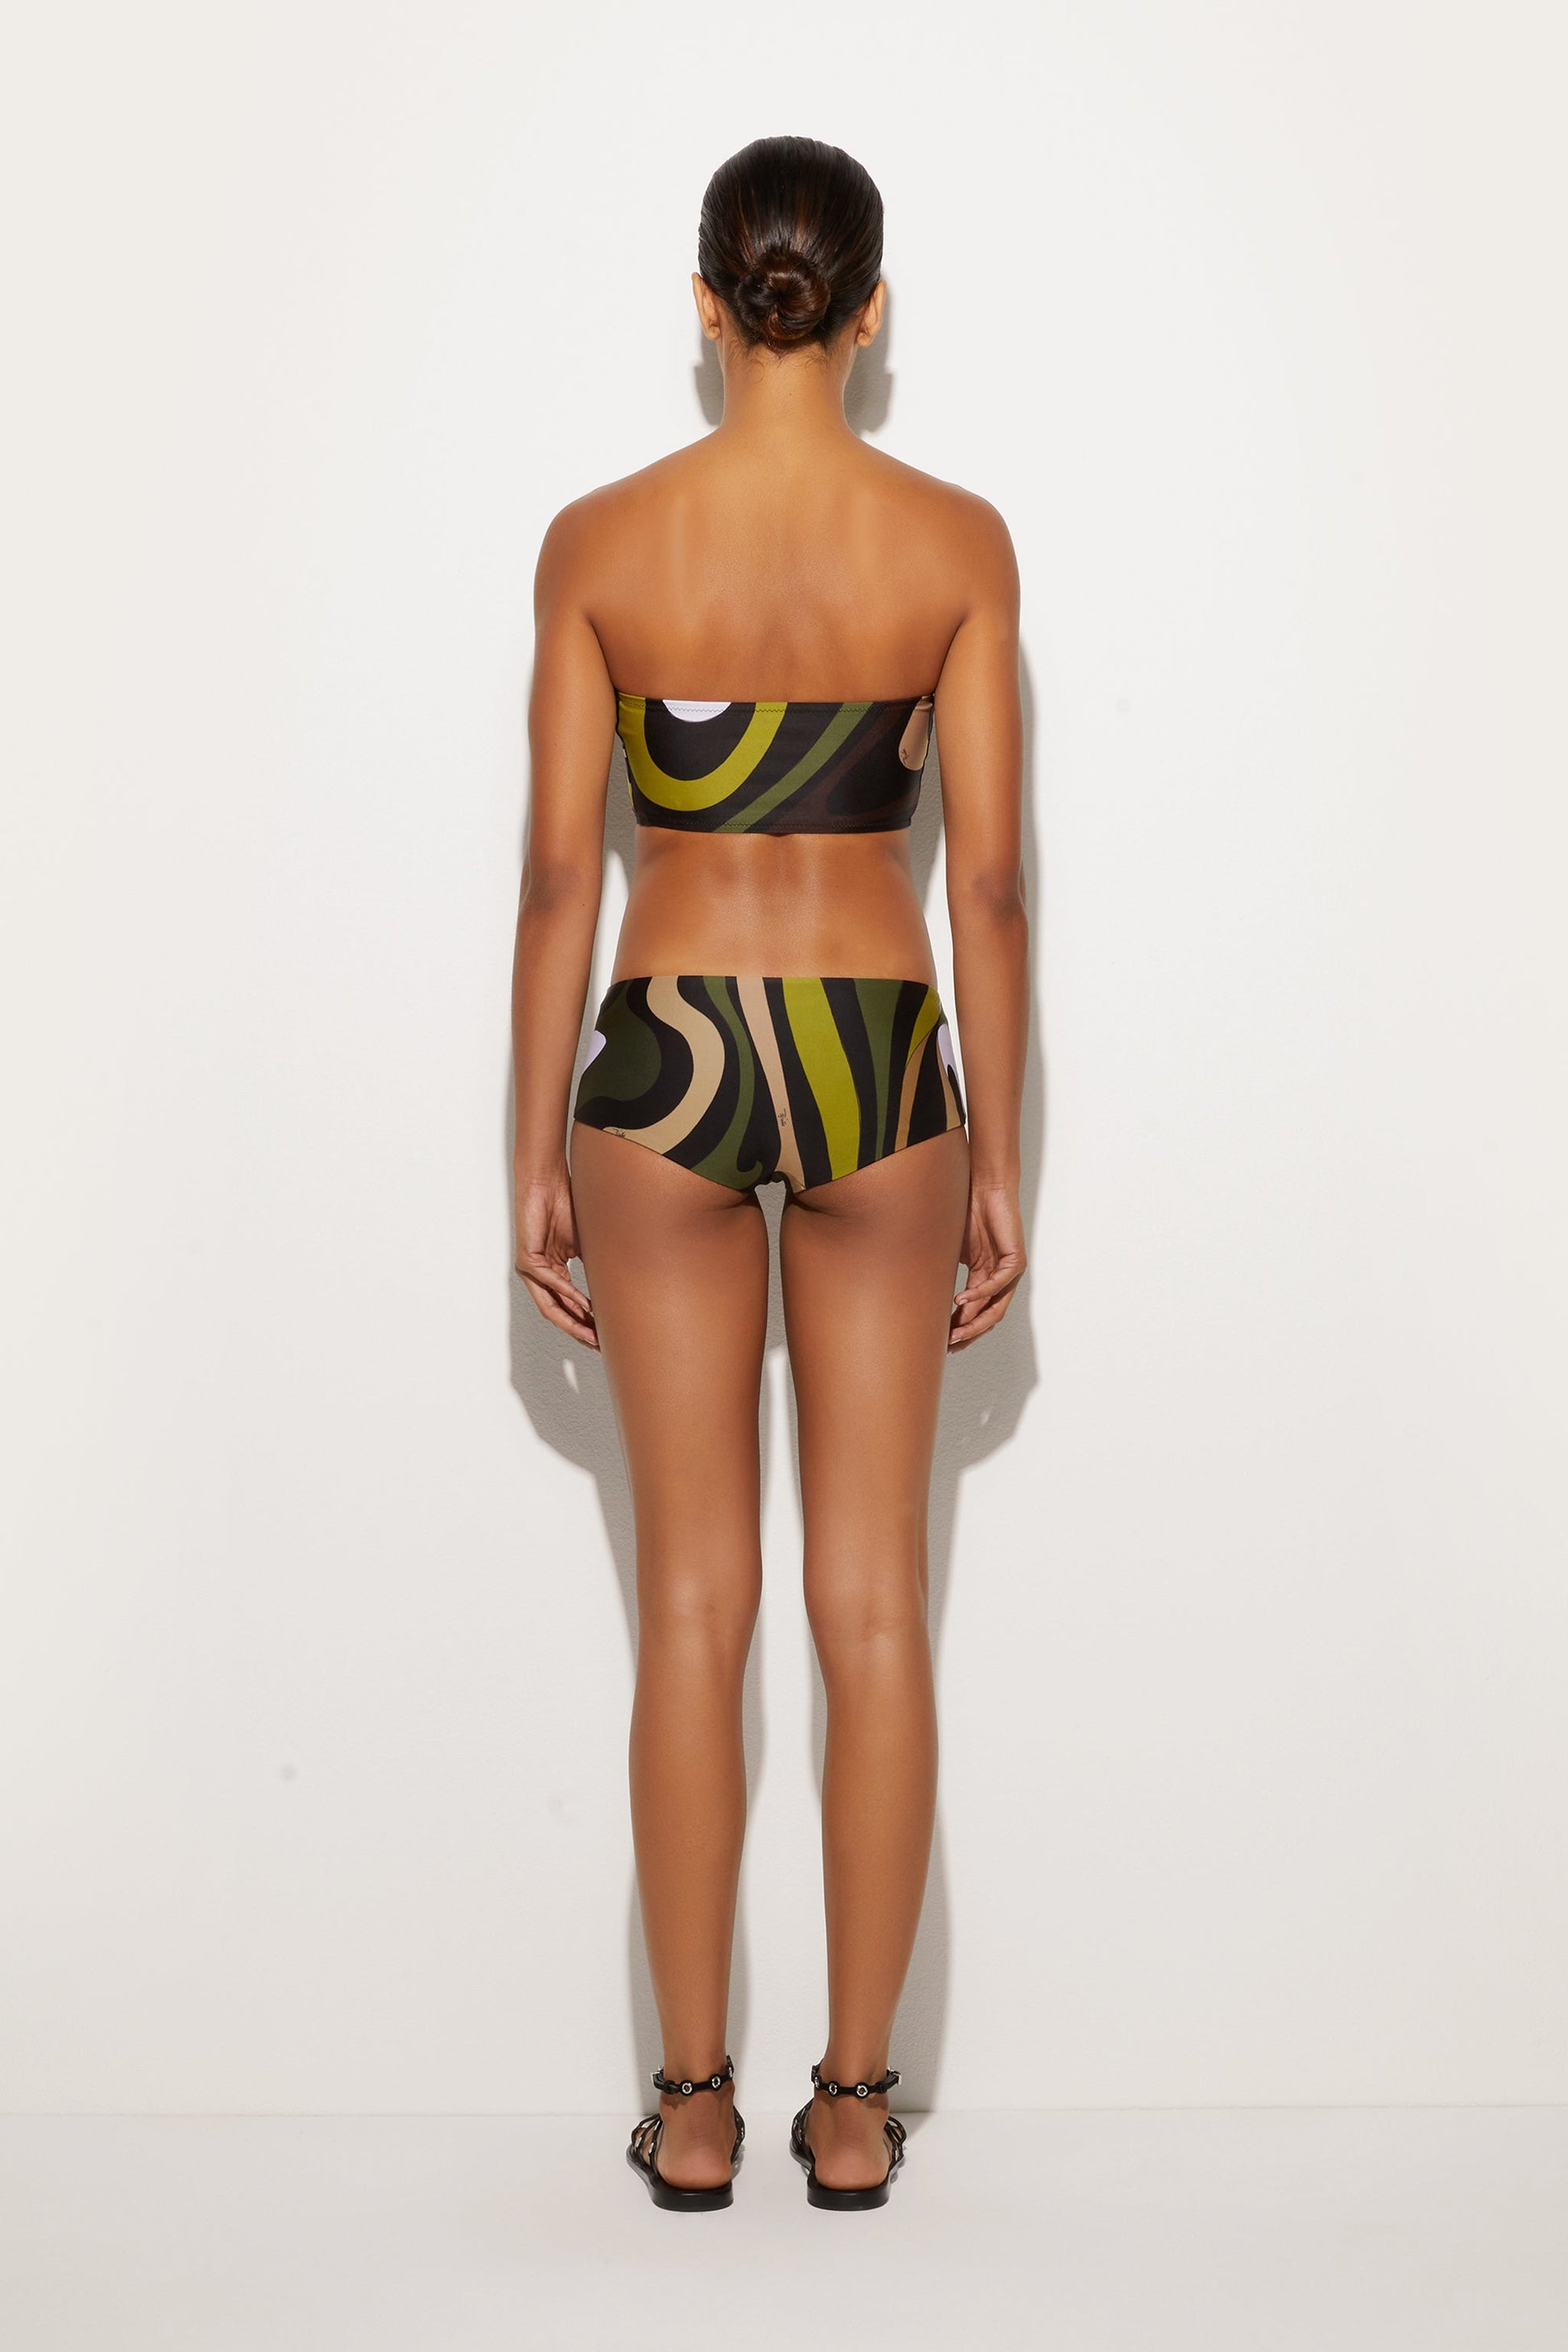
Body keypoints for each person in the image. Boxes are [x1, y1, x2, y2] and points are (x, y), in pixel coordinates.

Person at [511, 135, 1027, 2211]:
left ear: (709, 304)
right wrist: (1009, 1159)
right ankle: (858, 2106)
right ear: (869, 308)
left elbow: (563, 879)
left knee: (691, 1605)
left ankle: (697, 2100)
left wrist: (528, 1151)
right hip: (881, 1056)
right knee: (873, 1601)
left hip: (668, 1056)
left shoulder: (602, 542)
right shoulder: (955, 541)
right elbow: (988, 884)